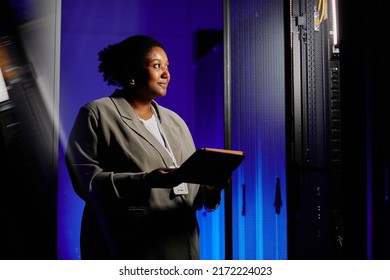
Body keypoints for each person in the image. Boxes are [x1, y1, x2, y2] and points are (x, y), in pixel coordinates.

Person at [65, 35, 227, 260]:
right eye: (157, 66)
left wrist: (211, 189)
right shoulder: (97, 114)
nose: (166, 74)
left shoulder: (176, 122)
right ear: (131, 72)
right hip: (130, 246)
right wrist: (146, 181)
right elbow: (86, 182)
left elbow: (192, 194)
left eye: (167, 66)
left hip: (181, 245)